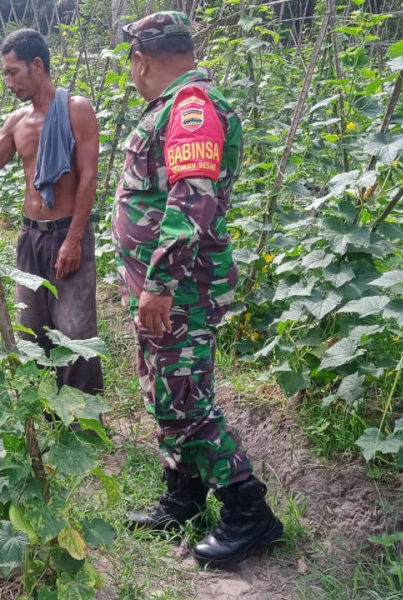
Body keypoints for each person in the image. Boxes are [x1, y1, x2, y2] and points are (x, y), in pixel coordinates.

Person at [114, 11, 283, 569]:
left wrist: (161, 282)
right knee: (165, 391)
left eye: (131, 63)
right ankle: (182, 498)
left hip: (180, 288)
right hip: (167, 289)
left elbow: (192, 199)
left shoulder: (191, 108)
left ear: (141, 59)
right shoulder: (176, 105)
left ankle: (249, 510)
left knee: (184, 400)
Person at [0, 29, 104, 396]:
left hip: (67, 234)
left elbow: (88, 178)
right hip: (30, 238)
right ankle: (45, 409)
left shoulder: (77, 110)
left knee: (74, 330)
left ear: (37, 65)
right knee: (31, 328)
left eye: (12, 72)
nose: (8, 83)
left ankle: (82, 415)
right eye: (5, 74)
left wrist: (74, 239)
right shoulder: (17, 122)